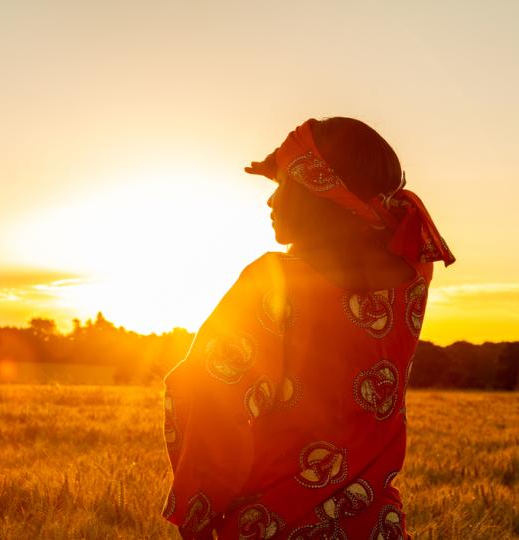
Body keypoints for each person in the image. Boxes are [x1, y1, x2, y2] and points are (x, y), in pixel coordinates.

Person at [161, 117, 454, 539]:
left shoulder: (271, 282)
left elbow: (207, 400)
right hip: (376, 527)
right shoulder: (412, 279)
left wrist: (196, 516)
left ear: (318, 190)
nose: (270, 201)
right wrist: (289, 168)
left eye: (283, 186)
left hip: (274, 523)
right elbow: (369, 223)